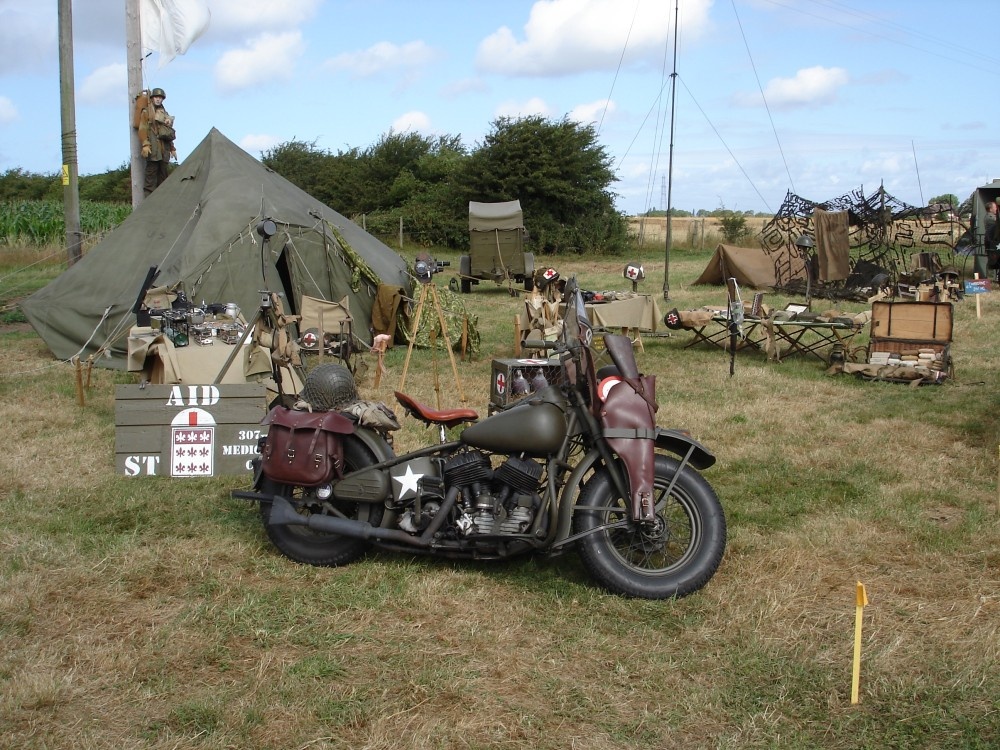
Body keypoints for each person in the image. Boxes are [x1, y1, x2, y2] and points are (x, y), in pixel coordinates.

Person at [135, 87, 176, 196]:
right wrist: (145, 144)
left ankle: (162, 202)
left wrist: (172, 148)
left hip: (164, 151)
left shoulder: (164, 113)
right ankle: (149, 204)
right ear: (152, 98)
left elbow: (167, 132)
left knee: (163, 178)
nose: (158, 99)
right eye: (156, 97)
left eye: (160, 98)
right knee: (150, 180)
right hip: (153, 150)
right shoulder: (146, 112)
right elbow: (142, 129)